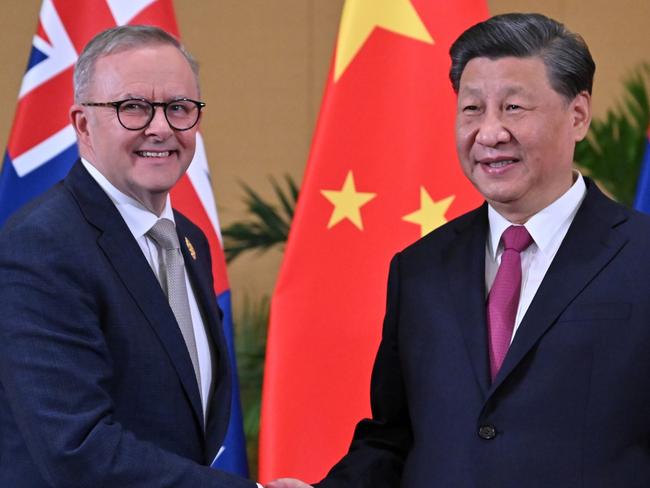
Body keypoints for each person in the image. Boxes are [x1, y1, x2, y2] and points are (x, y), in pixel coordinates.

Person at [268, 12, 650, 488]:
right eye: (472, 109)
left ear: (578, 115)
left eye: (514, 108)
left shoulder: (640, 257)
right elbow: (394, 439)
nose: (489, 133)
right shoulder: (419, 269)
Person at [0, 26, 258, 487]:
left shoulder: (190, 242)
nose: (160, 127)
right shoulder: (40, 247)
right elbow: (77, 449)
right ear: (82, 124)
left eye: (178, 108)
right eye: (132, 107)